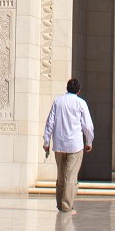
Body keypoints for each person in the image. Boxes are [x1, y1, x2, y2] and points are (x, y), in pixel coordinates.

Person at [42, 78, 94, 214]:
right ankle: (66, 206)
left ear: (67, 88)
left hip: (59, 144)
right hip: (75, 145)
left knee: (61, 176)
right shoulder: (80, 103)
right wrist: (89, 142)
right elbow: (88, 126)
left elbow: (49, 123)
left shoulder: (58, 101)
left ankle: (60, 204)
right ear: (79, 90)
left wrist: (46, 142)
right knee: (71, 177)